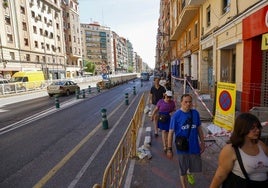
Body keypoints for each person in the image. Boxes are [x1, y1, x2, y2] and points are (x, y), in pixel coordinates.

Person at [210, 113, 268, 188]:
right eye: (252, 128)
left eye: (258, 127)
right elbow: (220, 176)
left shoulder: (261, 145)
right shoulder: (230, 150)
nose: (257, 130)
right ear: (243, 129)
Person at [166, 94, 205, 188]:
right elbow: (170, 133)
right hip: (182, 147)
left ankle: (189, 173)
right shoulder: (176, 116)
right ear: (181, 102)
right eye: (185, 102)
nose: (188, 104)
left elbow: (199, 129)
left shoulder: (195, 113)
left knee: (193, 166)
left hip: (194, 146)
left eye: (190, 102)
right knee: (182, 169)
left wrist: (202, 142)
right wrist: (169, 149)